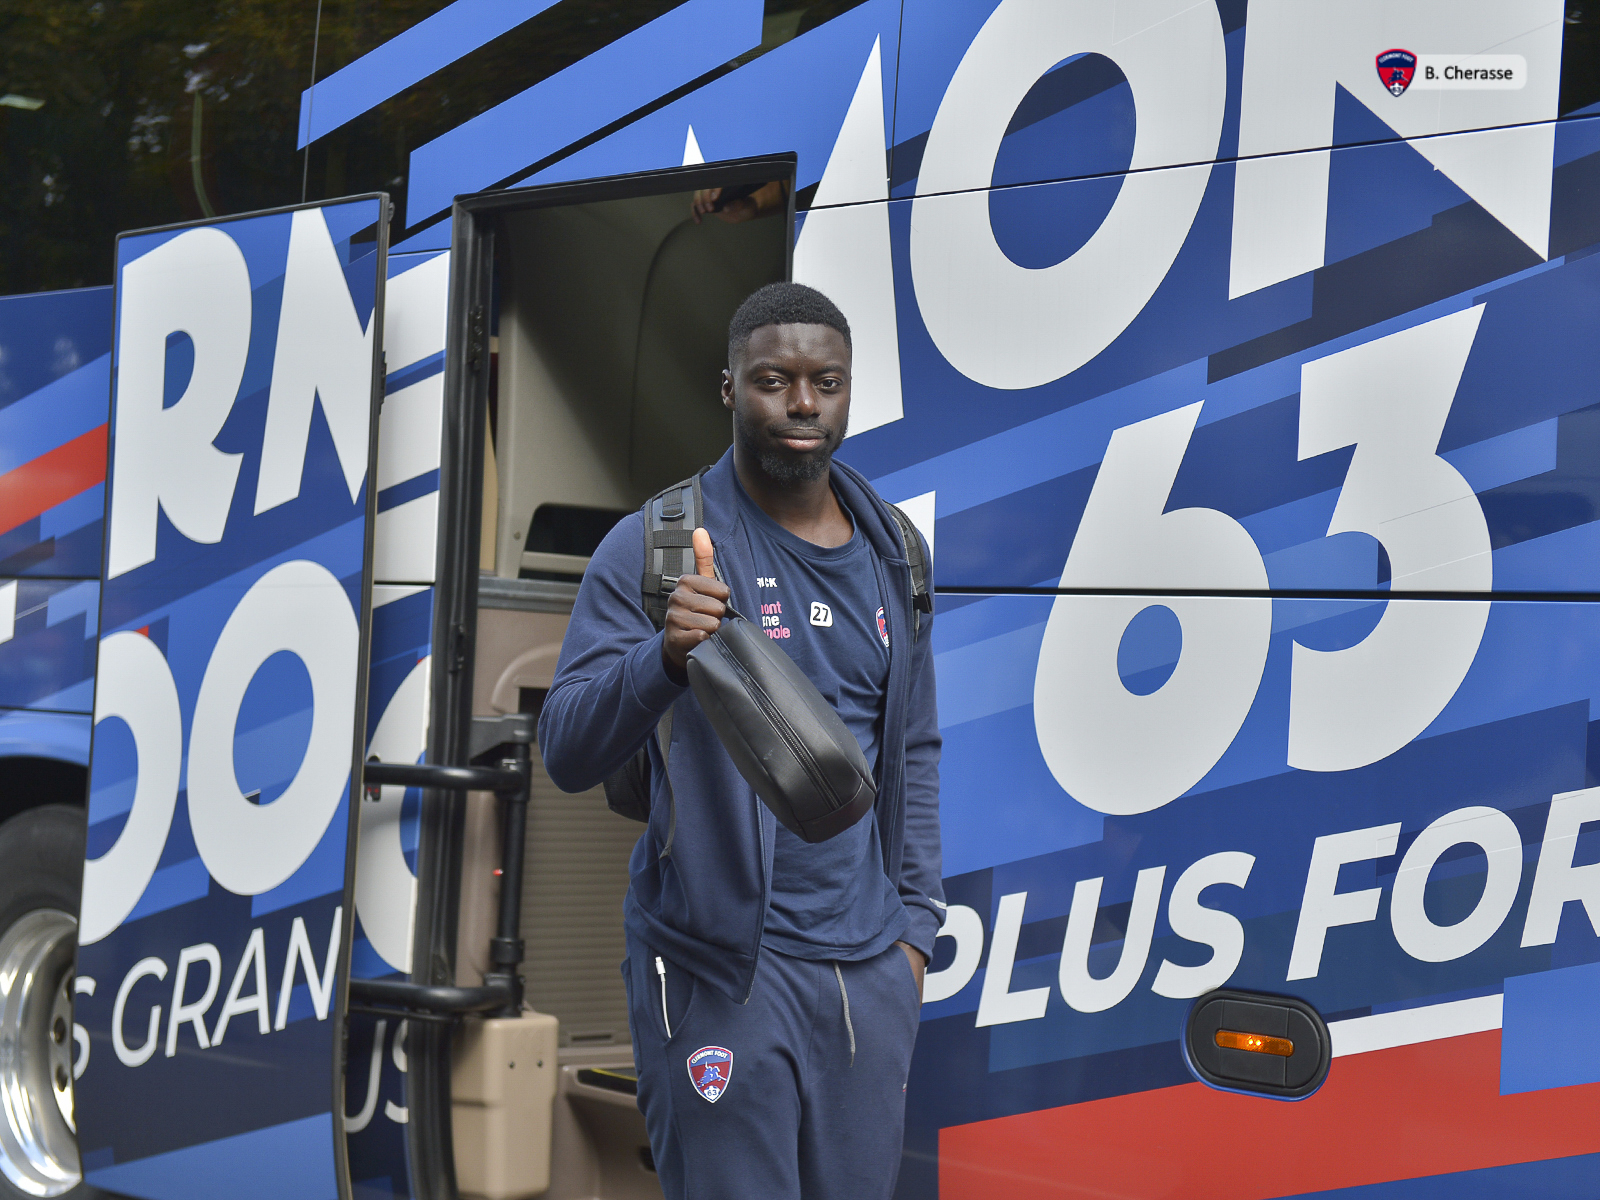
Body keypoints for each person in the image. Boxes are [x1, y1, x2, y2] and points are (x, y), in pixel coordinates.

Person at [539, 281, 943, 1200]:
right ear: (729, 389)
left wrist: (913, 932)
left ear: (848, 391)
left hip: (866, 975)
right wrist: (665, 659)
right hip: (717, 973)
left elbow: (914, 747)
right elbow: (564, 747)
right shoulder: (657, 548)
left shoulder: (897, 555)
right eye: (773, 379)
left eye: (825, 381)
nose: (802, 403)